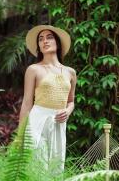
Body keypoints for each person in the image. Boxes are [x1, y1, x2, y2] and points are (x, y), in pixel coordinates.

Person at [18, 25, 77, 173]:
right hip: (37, 122)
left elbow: (71, 101)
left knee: (55, 169)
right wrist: (19, 137)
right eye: (40, 39)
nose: (44, 41)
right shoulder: (33, 70)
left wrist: (68, 112)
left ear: (58, 42)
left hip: (58, 124)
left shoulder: (71, 72)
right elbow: (26, 103)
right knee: (37, 168)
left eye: (49, 37)